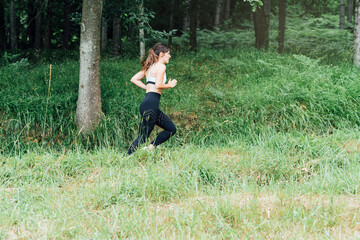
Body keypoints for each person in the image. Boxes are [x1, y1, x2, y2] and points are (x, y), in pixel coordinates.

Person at [127, 43, 178, 155]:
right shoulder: (161, 67)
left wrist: (147, 87)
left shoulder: (150, 67)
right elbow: (159, 84)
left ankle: (150, 148)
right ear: (161, 54)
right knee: (142, 137)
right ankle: (126, 158)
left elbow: (134, 79)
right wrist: (169, 85)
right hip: (150, 106)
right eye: (168, 54)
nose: (169, 56)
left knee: (171, 129)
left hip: (149, 104)